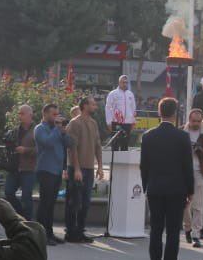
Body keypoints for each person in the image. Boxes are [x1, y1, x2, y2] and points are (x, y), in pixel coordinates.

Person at [139, 98, 195, 260]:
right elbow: (187, 166)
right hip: (176, 190)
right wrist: (190, 190)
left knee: (155, 230)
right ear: (176, 113)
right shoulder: (182, 137)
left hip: (155, 189)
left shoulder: (147, 136)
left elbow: (143, 166)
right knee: (172, 232)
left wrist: (147, 185)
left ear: (158, 112)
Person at [63, 96, 102, 244]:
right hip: (76, 168)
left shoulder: (93, 123)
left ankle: (80, 231)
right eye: (93, 104)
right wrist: (77, 169)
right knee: (75, 201)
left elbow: (98, 145)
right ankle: (71, 232)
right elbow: (72, 148)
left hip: (89, 168)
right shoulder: (75, 123)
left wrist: (99, 165)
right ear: (85, 106)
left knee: (85, 202)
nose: (95, 107)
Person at [31, 104, 68, 246]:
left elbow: (69, 143)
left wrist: (64, 132)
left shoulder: (56, 130)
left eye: (57, 114)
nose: (56, 117)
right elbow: (47, 143)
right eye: (53, 114)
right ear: (45, 114)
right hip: (46, 170)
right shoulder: (40, 129)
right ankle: (41, 235)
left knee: (51, 204)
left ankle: (50, 233)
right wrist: (58, 129)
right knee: (44, 204)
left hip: (57, 171)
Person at [1, 105, 37, 219]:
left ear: (30, 115)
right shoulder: (15, 130)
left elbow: (40, 150)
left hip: (29, 169)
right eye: (19, 113)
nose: (19, 116)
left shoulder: (36, 130)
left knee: (26, 197)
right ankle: (20, 214)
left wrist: (25, 150)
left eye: (22, 113)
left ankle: (28, 221)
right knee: (8, 192)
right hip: (15, 168)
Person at [186, 108, 203, 247]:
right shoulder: (182, 132)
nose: (196, 123)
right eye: (193, 121)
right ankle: (187, 229)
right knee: (184, 204)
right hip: (184, 171)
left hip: (200, 171)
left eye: (198, 121)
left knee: (198, 205)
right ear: (189, 120)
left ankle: (196, 234)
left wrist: (200, 150)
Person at [105, 76, 138, 151]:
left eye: (126, 82)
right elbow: (108, 108)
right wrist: (109, 122)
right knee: (115, 143)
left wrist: (133, 122)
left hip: (127, 123)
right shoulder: (113, 93)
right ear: (119, 82)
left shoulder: (130, 94)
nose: (125, 84)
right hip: (116, 122)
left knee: (125, 144)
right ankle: (114, 161)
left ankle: (124, 161)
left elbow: (133, 108)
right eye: (123, 82)